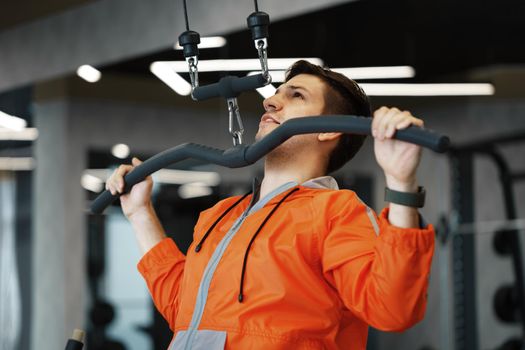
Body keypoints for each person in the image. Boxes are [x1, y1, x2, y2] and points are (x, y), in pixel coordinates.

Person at [106, 60, 435, 350]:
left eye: (296, 96)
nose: (270, 101)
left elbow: (393, 309)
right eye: (277, 92)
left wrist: (401, 183)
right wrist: (139, 213)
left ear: (329, 130)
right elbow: (185, 312)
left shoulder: (336, 212)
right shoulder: (220, 215)